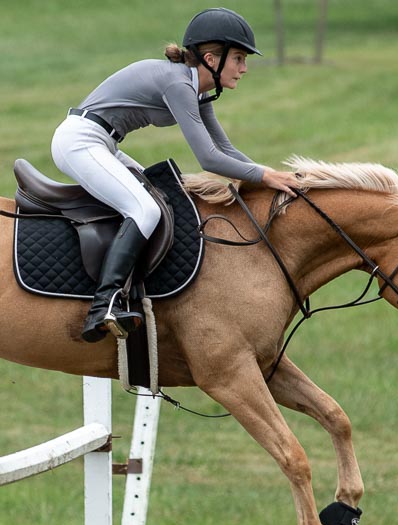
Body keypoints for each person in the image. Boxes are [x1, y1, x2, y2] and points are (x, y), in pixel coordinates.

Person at [54, 7, 302, 343]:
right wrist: (264, 176)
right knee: (145, 209)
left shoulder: (196, 89)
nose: (244, 68)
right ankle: (104, 305)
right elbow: (208, 158)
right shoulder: (178, 84)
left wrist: (269, 177)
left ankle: (137, 290)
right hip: (80, 142)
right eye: (239, 58)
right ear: (211, 60)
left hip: (103, 143)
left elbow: (224, 148)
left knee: (161, 198)